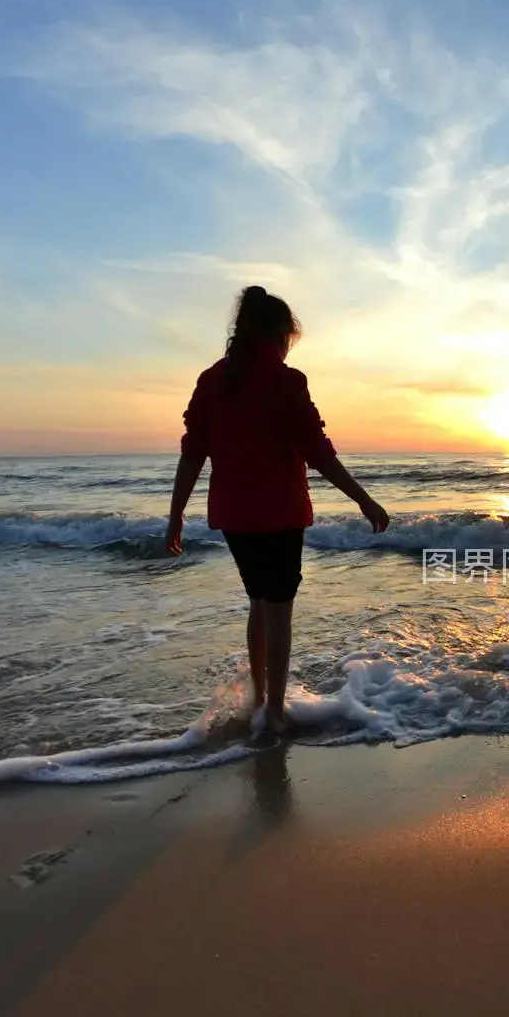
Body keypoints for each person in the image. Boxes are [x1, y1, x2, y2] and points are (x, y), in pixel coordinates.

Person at [165, 285, 390, 735]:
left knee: (259, 602)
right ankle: (273, 711)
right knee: (278, 610)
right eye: (288, 337)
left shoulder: (212, 381)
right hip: (280, 514)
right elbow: (318, 452)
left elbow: (193, 454)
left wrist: (175, 517)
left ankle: (263, 699)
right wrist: (363, 499)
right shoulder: (287, 382)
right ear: (278, 335)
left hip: (234, 516)